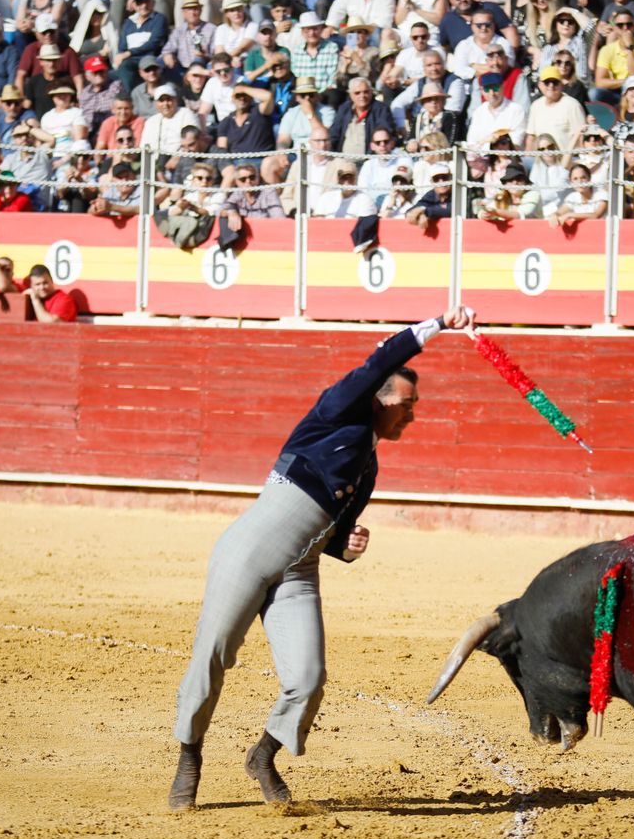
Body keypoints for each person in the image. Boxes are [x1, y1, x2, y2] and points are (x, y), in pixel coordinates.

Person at [168, 304, 479, 811]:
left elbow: (332, 536)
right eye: (407, 402)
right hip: (249, 550)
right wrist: (439, 324)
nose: (413, 412)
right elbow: (378, 363)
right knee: (214, 652)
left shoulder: (369, 465)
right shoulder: (335, 413)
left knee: (308, 678)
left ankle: (263, 755)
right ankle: (190, 756)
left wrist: (346, 548)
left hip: (299, 569)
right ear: (378, 399)